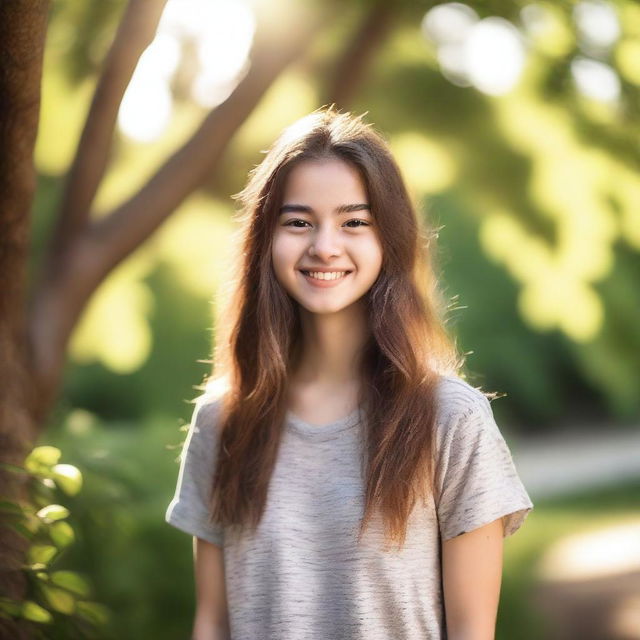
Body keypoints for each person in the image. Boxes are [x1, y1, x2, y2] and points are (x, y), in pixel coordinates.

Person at [165, 106, 534, 640]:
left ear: (391, 239)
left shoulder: (450, 419)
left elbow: (473, 630)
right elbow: (212, 622)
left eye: (354, 222)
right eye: (298, 222)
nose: (324, 246)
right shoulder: (222, 420)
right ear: (265, 241)